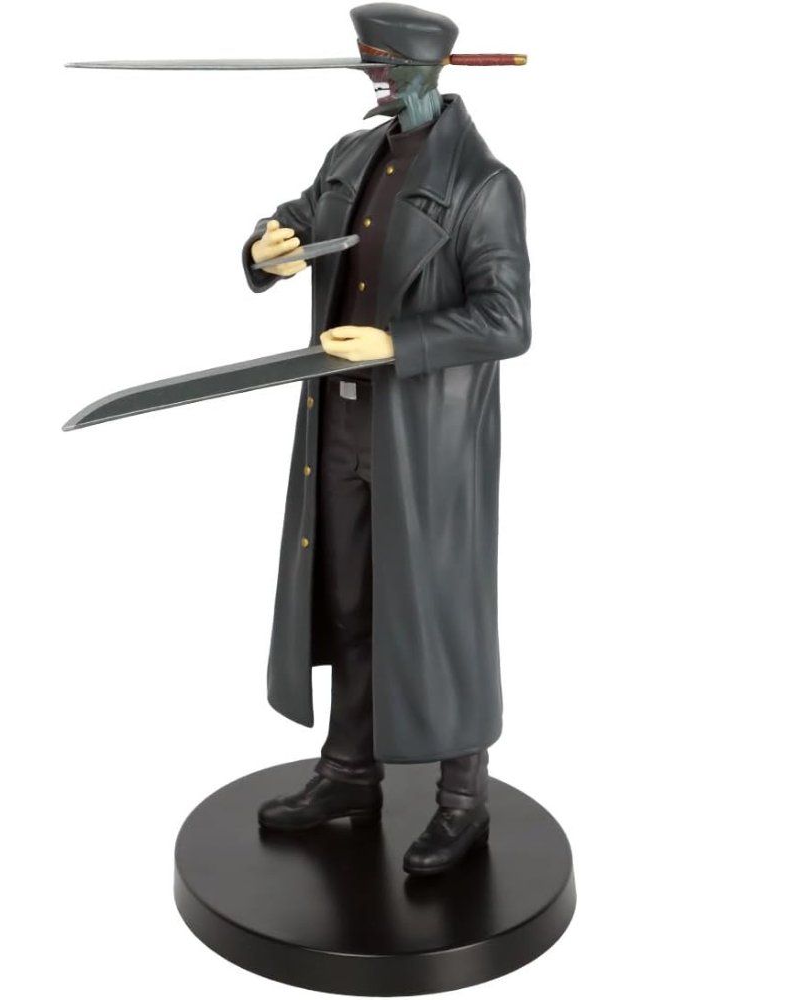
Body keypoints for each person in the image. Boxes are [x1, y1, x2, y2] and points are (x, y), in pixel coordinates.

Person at [242, 3, 531, 875]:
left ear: (426, 70)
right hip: (338, 422)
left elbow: (506, 320)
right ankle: (348, 772)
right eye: (366, 64)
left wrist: (399, 344)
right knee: (346, 599)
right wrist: (267, 250)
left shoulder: (484, 183)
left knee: (440, 613)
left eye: (384, 67)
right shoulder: (351, 155)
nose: (373, 80)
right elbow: (295, 219)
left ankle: (463, 802)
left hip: (428, 441)